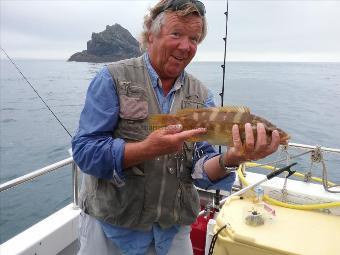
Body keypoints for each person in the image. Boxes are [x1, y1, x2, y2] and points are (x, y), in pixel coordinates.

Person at [71, 0, 281, 254]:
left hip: (172, 233)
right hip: (111, 229)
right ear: (151, 35)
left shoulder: (202, 95)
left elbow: (201, 167)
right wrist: (147, 149)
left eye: (194, 38)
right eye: (176, 34)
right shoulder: (112, 78)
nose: (186, 46)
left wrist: (231, 158)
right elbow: (85, 151)